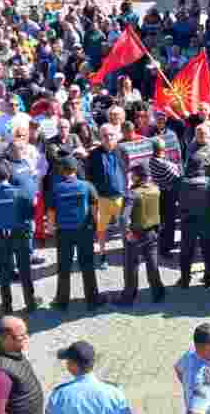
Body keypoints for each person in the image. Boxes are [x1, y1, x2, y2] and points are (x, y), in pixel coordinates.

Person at [0, 162, 42, 314]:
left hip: (0, 236)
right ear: (8, 175)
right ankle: (30, 303)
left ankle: (7, 305)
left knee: (4, 271)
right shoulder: (21, 193)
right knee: (24, 269)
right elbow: (30, 213)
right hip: (20, 234)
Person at [51, 156, 102, 311]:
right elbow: (95, 211)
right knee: (87, 264)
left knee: (64, 266)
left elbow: (51, 212)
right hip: (84, 231)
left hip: (64, 232)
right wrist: (97, 229)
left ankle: (62, 301)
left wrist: (53, 228)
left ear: (62, 171)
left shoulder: (57, 188)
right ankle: (92, 300)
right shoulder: (87, 186)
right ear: (76, 169)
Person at [119, 162, 165, 306]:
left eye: (133, 174)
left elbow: (122, 218)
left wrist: (126, 232)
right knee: (152, 263)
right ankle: (158, 292)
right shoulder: (156, 189)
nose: (131, 176)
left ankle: (128, 297)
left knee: (131, 266)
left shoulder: (132, 194)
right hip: (152, 232)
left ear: (137, 176)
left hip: (136, 234)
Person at [177, 157, 210, 288]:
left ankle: (185, 279)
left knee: (186, 251)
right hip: (205, 221)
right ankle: (209, 278)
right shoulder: (209, 182)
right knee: (207, 250)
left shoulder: (182, 182)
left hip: (187, 222)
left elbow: (176, 200)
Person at [87, 123, 127, 269]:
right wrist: (93, 199)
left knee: (126, 227)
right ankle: (102, 255)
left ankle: (127, 252)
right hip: (102, 199)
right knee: (101, 230)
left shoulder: (122, 150)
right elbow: (88, 177)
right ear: (100, 137)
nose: (108, 138)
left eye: (111, 135)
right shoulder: (93, 154)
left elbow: (129, 170)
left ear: (116, 136)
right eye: (105, 135)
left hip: (120, 197)